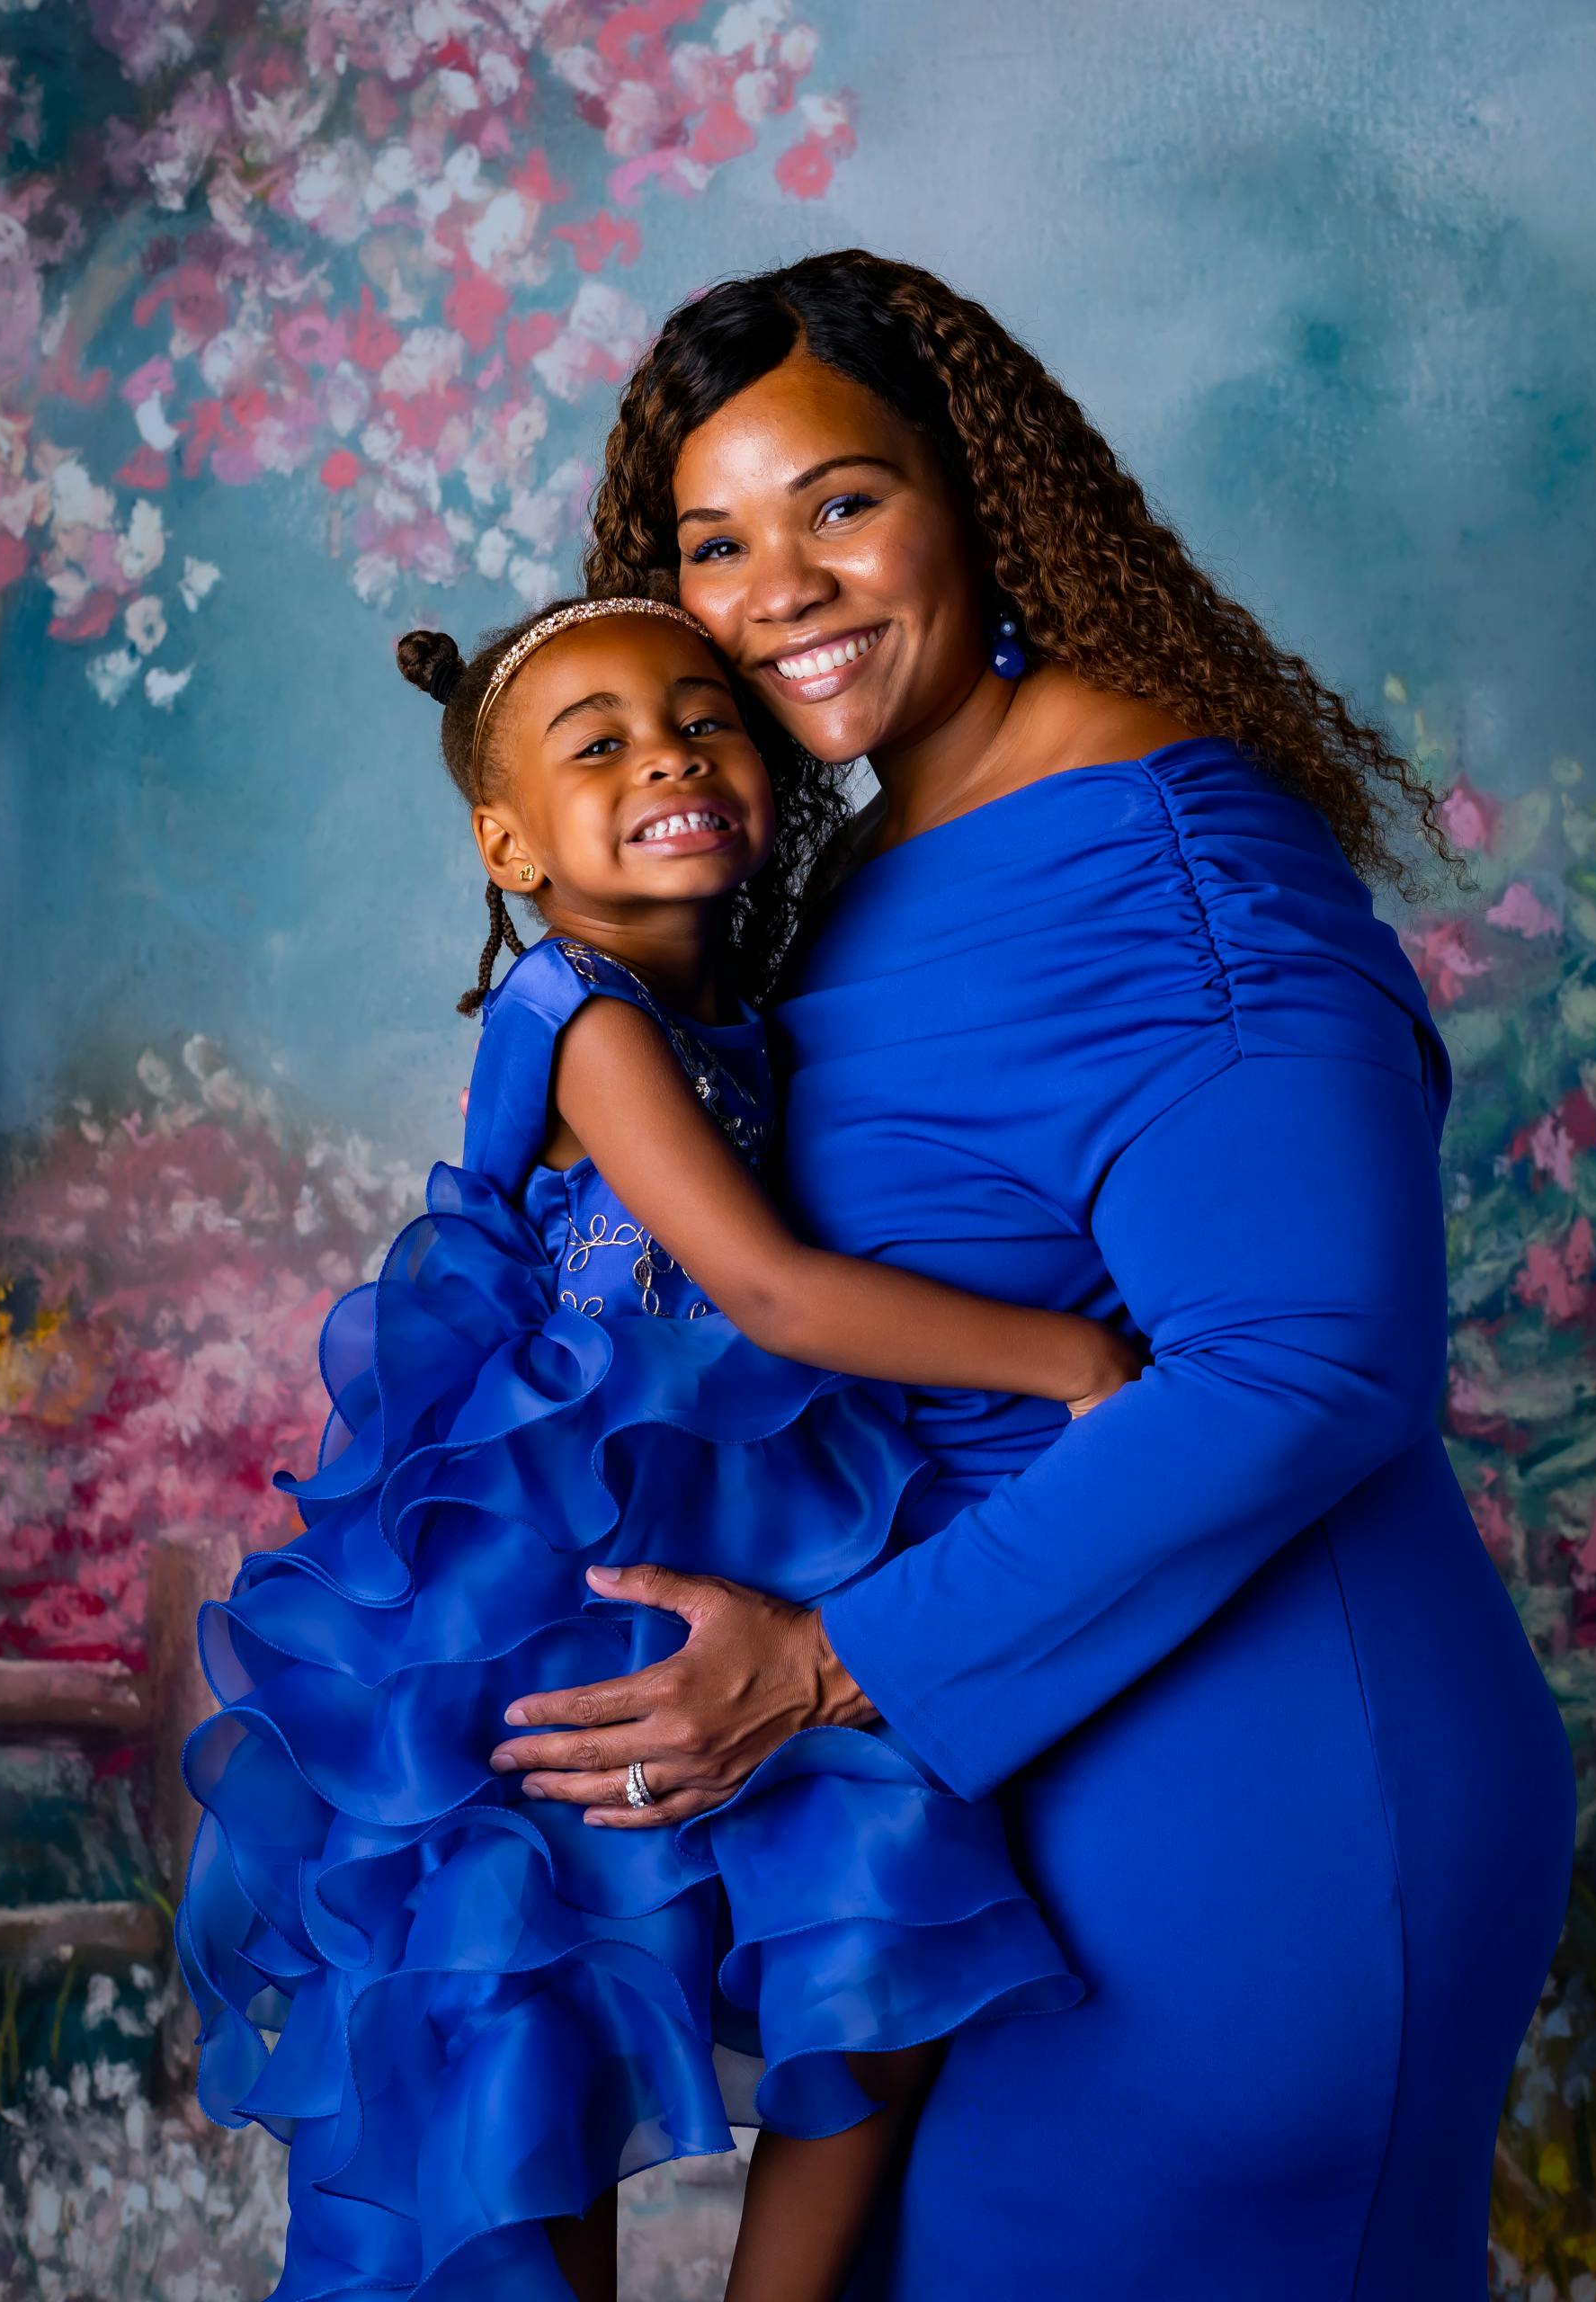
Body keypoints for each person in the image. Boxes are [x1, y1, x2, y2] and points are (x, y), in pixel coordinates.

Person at [489, 251, 1580, 2299]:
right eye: (712, 545)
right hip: (1023, 1794)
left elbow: (1310, 1360)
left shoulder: (1165, 857)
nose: (779, 589)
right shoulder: (899, 846)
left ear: (973, 493)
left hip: (1252, 1806)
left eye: (839, 504)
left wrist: (820, 1664)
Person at [174, 593, 1155, 2302]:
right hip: (551, 1592)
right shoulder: (586, 1014)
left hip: (722, 1545)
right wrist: (1074, 1356)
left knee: (888, 1900)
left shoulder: (746, 1018)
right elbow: (770, 1290)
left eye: (704, 719)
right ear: (508, 840)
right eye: (601, 743)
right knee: (536, 2022)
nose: (670, 760)